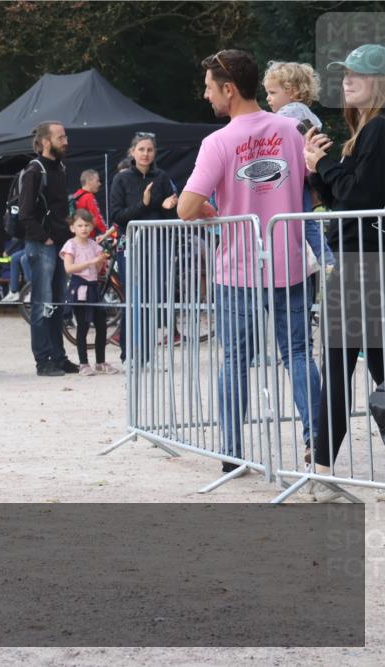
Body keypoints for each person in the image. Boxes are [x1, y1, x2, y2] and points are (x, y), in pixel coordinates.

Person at [177, 49, 320, 473]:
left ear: (228, 88)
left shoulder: (218, 141)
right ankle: (318, 442)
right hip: (289, 261)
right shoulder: (293, 130)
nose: (205, 96)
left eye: (208, 88)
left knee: (235, 360)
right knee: (298, 354)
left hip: (238, 267)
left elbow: (186, 207)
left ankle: (232, 453)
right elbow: (316, 183)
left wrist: (210, 213)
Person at [304, 43, 385, 501]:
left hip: (365, 265)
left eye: (358, 73)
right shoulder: (364, 132)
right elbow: (339, 199)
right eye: (345, 73)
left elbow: (358, 199)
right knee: (370, 365)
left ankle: (318, 466)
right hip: (357, 262)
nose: (347, 79)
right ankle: (318, 465)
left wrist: (325, 165)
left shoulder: (379, 130)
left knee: (343, 365)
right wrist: (317, 168)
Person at [110, 131, 181, 361]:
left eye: (149, 149)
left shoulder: (161, 177)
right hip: (130, 245)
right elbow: (117, 216)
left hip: (156, 244)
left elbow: (168, 216)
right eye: (141, 149)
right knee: (133, 298)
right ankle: (128, 354)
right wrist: (144, 203)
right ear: (132, 152)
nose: (145, 153)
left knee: (152, 299)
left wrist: (169, 206)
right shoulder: (121, 179)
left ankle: (146, 355)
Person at [263, 60, 336, 268]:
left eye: (273, 92)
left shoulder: (290, 112)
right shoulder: (304, 112)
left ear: (292, 92)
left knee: (305, 222)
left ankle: (327, 260)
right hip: (303, 175)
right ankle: (325, 259)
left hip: (292, 176)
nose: (268, 98)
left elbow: (268, 128)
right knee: (305, 220)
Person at [20, 121, 79, 377]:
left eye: (65, 136)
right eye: (61, 137)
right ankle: (43, 360)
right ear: (45, 141)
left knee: (56, 303)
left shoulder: (61, 167)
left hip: (59, 244)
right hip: (42, 245)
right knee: (42, 304)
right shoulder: (35, 170)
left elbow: (58, 209)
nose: (65, 141)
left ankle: (59, 356)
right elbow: (25, 213)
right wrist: (43, 238)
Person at [60, 209, 119, 376]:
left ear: (92, 226)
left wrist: (101, 261)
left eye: (87, 225)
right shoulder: (70, 245)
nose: (84, 229)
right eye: (79, 225)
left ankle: (100, 362)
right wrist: (91, 261)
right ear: (72, 228)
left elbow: (99, 269)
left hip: (94, 288)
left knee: (101, 325)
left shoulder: (94, 245)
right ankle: (83, 363)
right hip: (79, 288)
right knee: (83, 327)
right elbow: (69, 268)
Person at [72, 169, 107, 234]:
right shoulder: (89, 197)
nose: (99, 184)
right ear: (89, 182)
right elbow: (97, 219)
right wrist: (108, 233)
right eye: (97, 181)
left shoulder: (75, 196)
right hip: (87, 236)